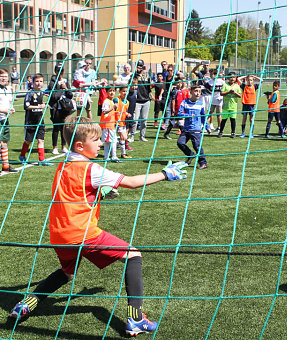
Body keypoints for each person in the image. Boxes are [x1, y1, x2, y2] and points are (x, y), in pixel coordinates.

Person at [9, 115, 188, 337]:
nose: (102, 142)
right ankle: (136, 318)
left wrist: (99, 194)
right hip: (83, 233)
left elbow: (75, 192)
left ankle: (26, 305)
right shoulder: (90, 168)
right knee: (133, 255)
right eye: (97, 140)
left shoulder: (63, 164)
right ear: (80, 145)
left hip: (59, 233)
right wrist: (164, 174)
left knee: (66, 273)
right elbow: (131, 183)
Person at [19, 73, 52, 166]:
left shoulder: (41, 93)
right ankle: (22, 155)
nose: (39, 83)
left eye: (41, 81)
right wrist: (39, 106)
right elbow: (26, 106)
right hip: (30, 121)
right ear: (33, 82)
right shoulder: (30, 93)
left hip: (39, 120)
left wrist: (45, 105)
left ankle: (41, 160)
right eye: (37, 81)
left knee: (41, 140)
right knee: (28, 140)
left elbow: (41, 105)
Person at [176, 85, 208, 169]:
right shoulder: (185, 102)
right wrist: (189, 115)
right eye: (196, 91)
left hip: (196, 129)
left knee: (197, 146)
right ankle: (191, 155)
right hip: (186, 128)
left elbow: (203, 117)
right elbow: (179, 114)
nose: (198, 93)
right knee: (180, 143)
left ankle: (203, 163)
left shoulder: (200, 104)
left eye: (200, 92)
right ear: (191, 92)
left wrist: (207, 127)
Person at [47, 64, 72, 155]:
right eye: (58, 71)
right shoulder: (52, 82)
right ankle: (54, 147)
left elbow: (70, 95)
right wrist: (61, 89)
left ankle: (63, 146)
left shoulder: (66, 81)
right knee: (56, 128)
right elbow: (53, 96)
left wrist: (66, 89)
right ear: (55, 71)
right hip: (56, 108)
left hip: (65, 108)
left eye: (61, 71)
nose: (60, 73)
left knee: (64, 128)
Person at [0, 68, 17, 173]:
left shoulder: (8, 89)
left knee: (5, 141)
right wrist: (4, 110)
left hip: (4, 119)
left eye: (6, 77)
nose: (4, 79)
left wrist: (11, 108)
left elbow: (9, 102)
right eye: (2, 76)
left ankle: (6, 165)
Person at [131, 59, 152, 142]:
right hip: (137, 101)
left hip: (146, 100)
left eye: (140, 66)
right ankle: (132, 136)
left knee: (144, 120)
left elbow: (149, 89)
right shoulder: (134, 76)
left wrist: (151, 96)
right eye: (138, 66)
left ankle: (142, 136)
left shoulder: (146, 77)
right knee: (135, 120)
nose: (139, 68)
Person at [100, 87, 121, 162]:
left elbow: (110, 112)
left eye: (113, 91)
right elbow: (104, 112)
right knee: (113, 141)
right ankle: (113, 156)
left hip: (111, 124)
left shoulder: (111, 101)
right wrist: (113, 108)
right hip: (107, 124)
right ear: (106, 92)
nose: (112, 92)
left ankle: (106, 157)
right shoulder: (106, 101)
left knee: (108, 141)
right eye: (110, 91)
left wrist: (115, 112)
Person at [219, 72, 241, 138]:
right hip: (226, 106)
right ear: (228, 78)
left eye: (234, 77)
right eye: (231, 77)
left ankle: (233, 132)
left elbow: (240, 95)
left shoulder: (237, 86)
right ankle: (221, 132)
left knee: (233, 119)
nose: (232, 78)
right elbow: (221, 93)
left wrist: (234, 93)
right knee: (224, 120)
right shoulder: (225, 85)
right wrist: (228, 92)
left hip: (233, 106)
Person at [115, 86, 132, 159]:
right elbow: (113, 109)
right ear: (120, 92)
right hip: (117, 121)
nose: (125, 93)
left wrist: (127, 114)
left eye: (126, 91)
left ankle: (122, 153)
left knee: (124, 138)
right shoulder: (117, 99)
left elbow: (125, 111)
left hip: (123, 122)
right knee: (123, 137)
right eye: (123, 91)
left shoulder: (127, 102)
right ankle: (123, 154)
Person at [161, 65, 177, 139]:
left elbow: (179, 82)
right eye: (168, 70)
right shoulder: (167, 77)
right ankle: (166, 124)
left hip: (175, 96)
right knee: (168, 111)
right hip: (168, 96)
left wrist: (173, 86)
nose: (169, 72)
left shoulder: (175, 77)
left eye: (171, 70)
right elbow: (164, 86)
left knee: (173, 112)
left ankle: (168, 124)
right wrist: (161, 94)